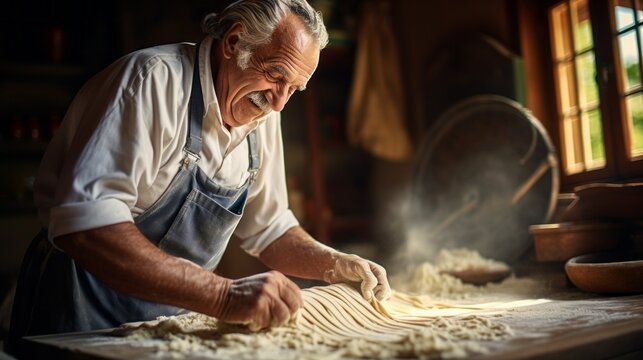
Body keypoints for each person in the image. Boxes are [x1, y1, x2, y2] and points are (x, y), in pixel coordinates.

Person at [7, 0, 391, 353]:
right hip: (78, 316)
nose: (279, 102)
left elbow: (270, 228)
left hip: (165, 324)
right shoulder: (152, 81)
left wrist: (334, 263)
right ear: (234, 41)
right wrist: (224, 296)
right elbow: (87, 226)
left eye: (294, 89)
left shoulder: (264, 112)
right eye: (276, 75)